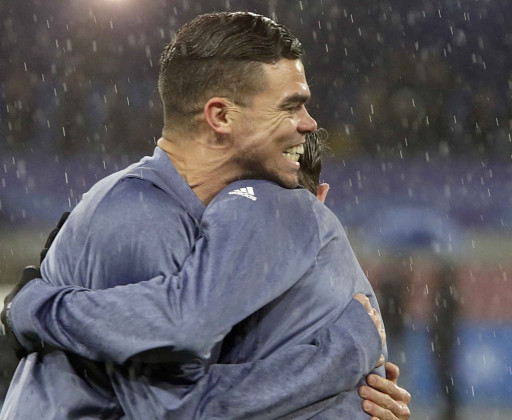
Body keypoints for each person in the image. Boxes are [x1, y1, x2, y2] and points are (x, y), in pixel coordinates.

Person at [1, 12, 409, 419]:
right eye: (291, 106)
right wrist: (343, 358)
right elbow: (179, 408)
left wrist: (358, 397)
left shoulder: (222, 220)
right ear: (221, 117)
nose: (310, 123)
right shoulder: (141, 216)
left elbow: (228, 375)